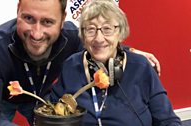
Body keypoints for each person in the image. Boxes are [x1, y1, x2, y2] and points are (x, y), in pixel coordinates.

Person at [0, 0, 160, 126]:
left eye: (47, 22)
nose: (37, 33)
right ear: (17, 12)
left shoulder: (71, 36)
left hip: (44, 98)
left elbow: (98, 45)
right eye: (28, 18)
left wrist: (130, 52)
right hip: (7, 99)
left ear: (63, 20)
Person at [50, 0, 181, 126]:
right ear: (83, 36)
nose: (99, 39)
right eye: (90, 29)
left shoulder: (141, 67)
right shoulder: (71, 66)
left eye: (107, 29)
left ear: (120, 33)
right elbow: (52, 113)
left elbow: (168, 121)